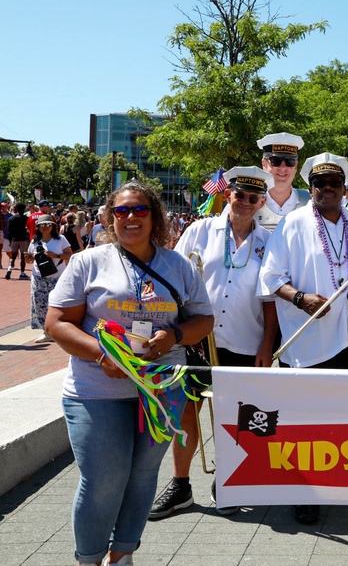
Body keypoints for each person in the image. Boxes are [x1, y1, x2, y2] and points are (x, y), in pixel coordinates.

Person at [45, 181, 214, 566]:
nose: (131, 218)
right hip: (95, 389)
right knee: (103, 480)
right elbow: (56, 323)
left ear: (154, 216)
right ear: (109, 218)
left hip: (160, 390)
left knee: (142, 477)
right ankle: (88, 558)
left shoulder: (178, 265)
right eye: (122, 211)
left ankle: (122, 556)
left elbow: (204, 318)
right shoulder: (88, 262)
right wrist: (102, 353)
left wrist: (173, 333)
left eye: (140, 210)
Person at [259, 153, 348, 525]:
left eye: (334, 184)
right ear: (310, 188)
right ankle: (306, 492)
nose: (327, 189)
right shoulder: (292, 223)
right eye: (320, 184)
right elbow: (270, 277)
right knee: (306, 421)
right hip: (311, 340)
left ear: (344, 189)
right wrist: (301, 298)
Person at [149, 167, 278, 520]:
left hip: (243, 341)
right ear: (227, 195)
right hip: (193, 339)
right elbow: (171, 278)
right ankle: (180, 484)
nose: (246, 203)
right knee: (185, 413)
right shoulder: (199, 230)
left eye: (254, 198)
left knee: (234, 416)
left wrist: (266, 346)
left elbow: (270, 301)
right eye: (240, 195)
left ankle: (229, 479)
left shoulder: (269, 241)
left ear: (262, 202)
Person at [29, 214, 73, 343]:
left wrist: (56, 255)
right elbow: (31, 257)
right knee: (39, 304)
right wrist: (29, 258)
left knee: (57, 304)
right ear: (38, 227)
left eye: (48, 224)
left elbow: (70, 254)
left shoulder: (61, 239)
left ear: (53, 226)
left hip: (57, 276)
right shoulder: (35, 241)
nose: (45, 227)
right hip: (38, 276)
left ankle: (60, 330)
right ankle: (46, 332)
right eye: (42, 225)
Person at [254, 132, 311, 231]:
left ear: (296, 166)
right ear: (264, 164)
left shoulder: (311, 203)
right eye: (275, 161)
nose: (283, 168)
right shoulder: (245, 202)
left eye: (290, 162)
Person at [5, 202, 29, 279]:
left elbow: (9, 231)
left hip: (14, 239)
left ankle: (9, 269)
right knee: (23, 257)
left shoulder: (11, 218)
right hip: (23, 239)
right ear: (22, 209)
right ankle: (22, 273)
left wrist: (10, 240)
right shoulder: (26, 218)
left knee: (13, 256)